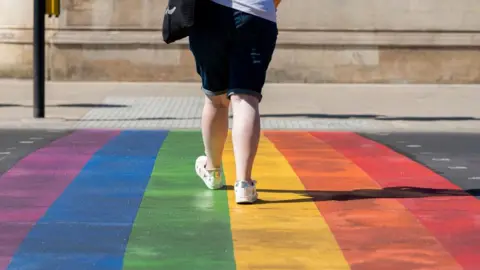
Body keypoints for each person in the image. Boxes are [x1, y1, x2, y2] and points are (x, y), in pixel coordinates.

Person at [191, 0, 281, 204]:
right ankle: (244, 184)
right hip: (256, 14)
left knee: (216, 99)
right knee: (245, 97)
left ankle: (212, 171)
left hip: (209, 14)